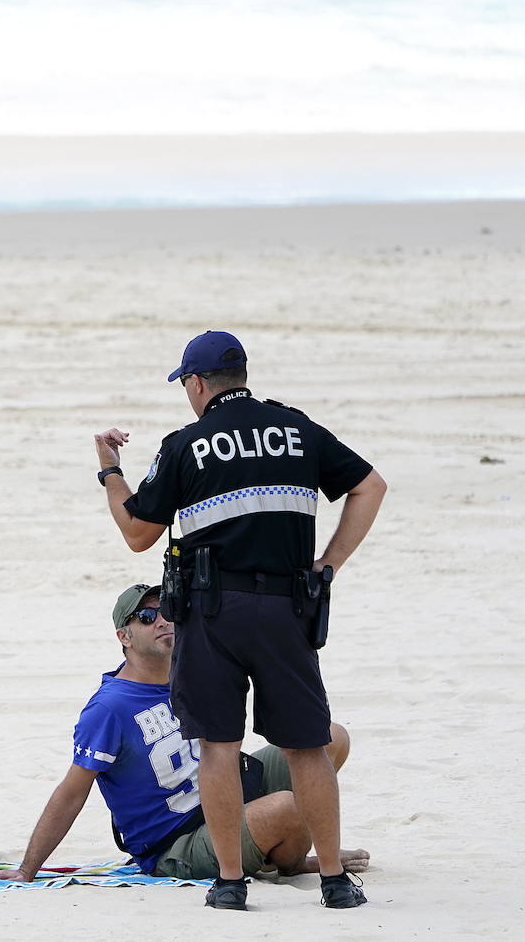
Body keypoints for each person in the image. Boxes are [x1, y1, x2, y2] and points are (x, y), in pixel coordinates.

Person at [92, 331, 387, 910]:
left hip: (212, 612)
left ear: (196, 384)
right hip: (287, 607)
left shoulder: (188, 444)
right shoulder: (297, 429)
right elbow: (369, 486)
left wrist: (110, 470)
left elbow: (136, 532)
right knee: (307, 746)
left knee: (219, 745)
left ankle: (229, 883)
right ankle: (333, 882)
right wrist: (328, 565)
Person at [0, 584, 368, 893]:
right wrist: (28, 869)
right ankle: (291, 861)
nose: (161, 621)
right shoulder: (109, 708)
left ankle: (279, 848)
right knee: (287, 807)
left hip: (229, 791)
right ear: (123, 636)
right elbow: (72, 791)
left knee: (330, 738)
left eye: (167, 611)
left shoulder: (191, 673)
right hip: (178, 842)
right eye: (146, 617)